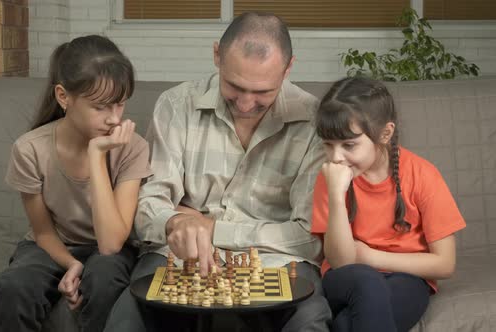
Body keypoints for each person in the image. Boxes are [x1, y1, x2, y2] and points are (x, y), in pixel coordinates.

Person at [104, 12, 331, 332]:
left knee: (308, 321)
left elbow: (309, 237)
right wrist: (175, 221)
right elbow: (146, 207)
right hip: (179, 256)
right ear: (216, 55)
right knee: (126, 321)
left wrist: (210, 227)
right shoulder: (176, 104)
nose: (246, 103)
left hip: (276, 261)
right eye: (234, 86)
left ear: (289, 68)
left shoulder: (315, 121)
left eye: (263, 92)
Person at [0, 35, 152, 332]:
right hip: (53, 245)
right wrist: (71, 263)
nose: (114, 120)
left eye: (120, 104)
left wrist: (96, 155)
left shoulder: (134, 148)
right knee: (15, 288)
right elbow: (42, 232)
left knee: (104, 278)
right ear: (64, 97)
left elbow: (112, 242)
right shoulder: (30, 149)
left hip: (110, 251)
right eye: (100, 107)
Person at [310, 76, 466, 332]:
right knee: (367, 281)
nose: (336, 157)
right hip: (347, 277)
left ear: (385, 133)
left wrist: (371, 257)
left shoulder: (422, 175)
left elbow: (445, 264)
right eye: (328, 145)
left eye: (349, 145)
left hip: (407, 278)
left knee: (345, 325)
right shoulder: (329, 177)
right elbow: (340, 262)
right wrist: (337, 196)